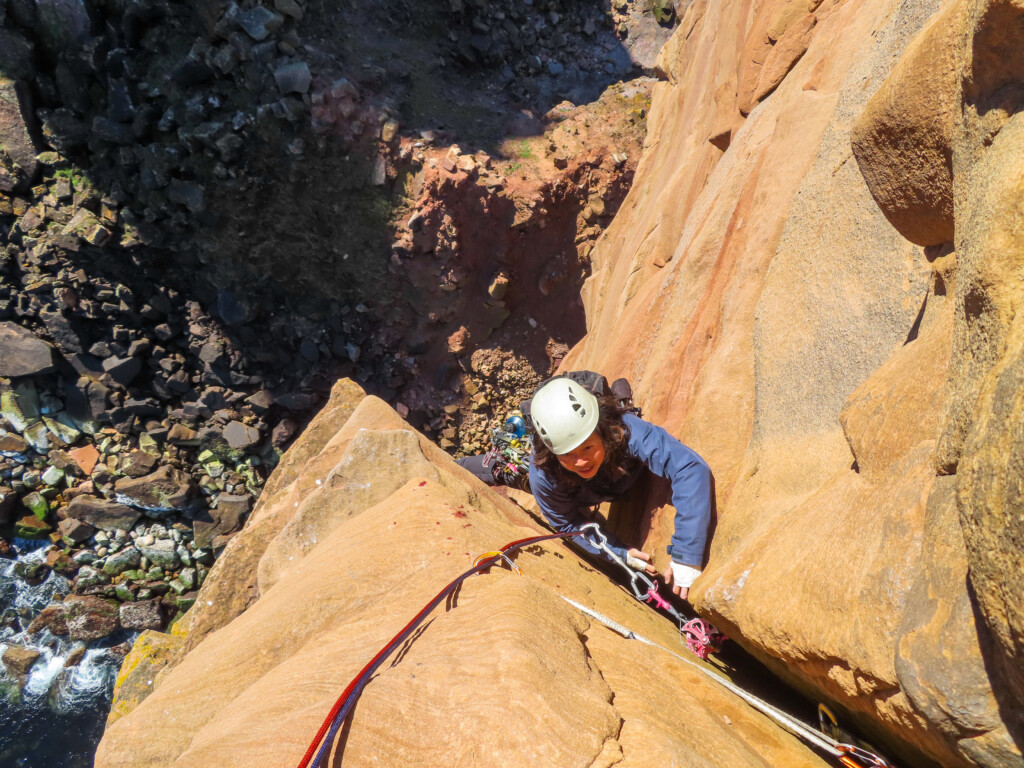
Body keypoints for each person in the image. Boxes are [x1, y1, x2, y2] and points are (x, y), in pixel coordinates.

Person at [460, 374, 712, 600]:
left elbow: (689, 468)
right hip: (575, 490)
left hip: (615, 471)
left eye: (587, 448)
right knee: (506, 470)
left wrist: (687, 553)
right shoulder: (544, 473)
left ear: (602, 431)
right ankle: (459, 463)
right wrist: (619, 552)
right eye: (567, 454)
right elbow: (566, 523)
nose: (580, 461)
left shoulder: (625, 429)